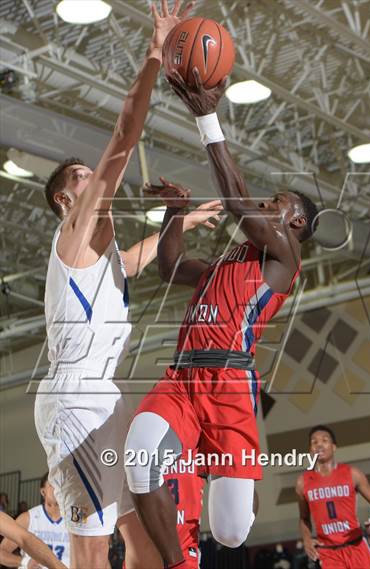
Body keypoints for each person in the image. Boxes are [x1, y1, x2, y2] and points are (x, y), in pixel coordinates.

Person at [31, 2, 225, 568]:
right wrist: (155, 51)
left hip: (103, 394)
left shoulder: (102, 253)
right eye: (82, 177)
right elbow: (124, 132)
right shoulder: (76, 226)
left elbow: (135, 260)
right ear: (68, 200)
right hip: (74, 399)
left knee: (139, 536)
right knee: (90, 551)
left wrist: (182, 220)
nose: (94, 178)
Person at [124, 67, 319, 568]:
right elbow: (169, 269)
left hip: (230, 382)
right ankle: (179, 562)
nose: (267, 201)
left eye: (278, 201)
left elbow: (234, 200)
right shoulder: (229, 262)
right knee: (140, 455)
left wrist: (207, 114)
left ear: (294, 222)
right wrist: (175, 213)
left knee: (232, 533)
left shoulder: (284, 255)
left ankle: (232, 475)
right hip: (184, 375)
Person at [296, 425, 370, 568]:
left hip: (356, 546)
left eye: (324, 440)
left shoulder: (352, 473)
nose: (319, 444)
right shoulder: (303, 482)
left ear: (334, 446)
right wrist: (306, 539)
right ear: (310, 449)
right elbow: (304, 518)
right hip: (328, 553)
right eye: (314, 442)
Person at [0, 473, 70, 567]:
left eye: (60, 485)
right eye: (52, 485)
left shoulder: (74, 521)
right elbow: (1, 553)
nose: (57, 488)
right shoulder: (28, 518)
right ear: (43, 492)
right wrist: (24, 562)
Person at [0, 511, 67, 569]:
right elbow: (25, 539)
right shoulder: (28, 517)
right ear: (43, 495)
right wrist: (25, 561)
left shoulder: (73, 519)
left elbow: (25, 538)